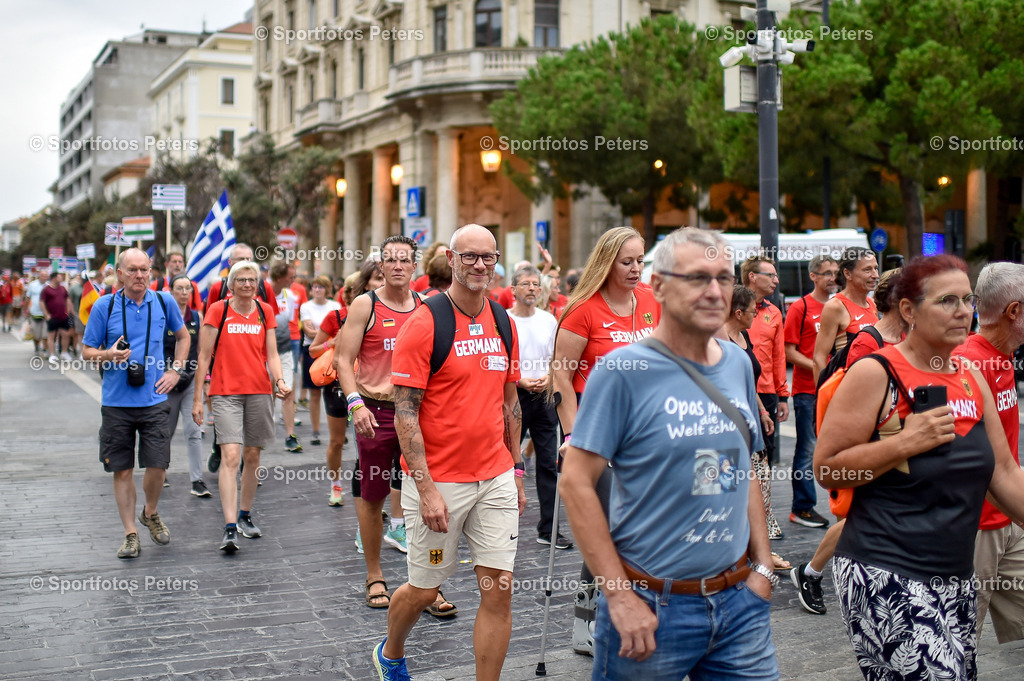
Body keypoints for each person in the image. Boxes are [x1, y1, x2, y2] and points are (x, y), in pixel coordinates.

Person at [560, 227, 778, 680]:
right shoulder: (622, 371)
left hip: (739, 604)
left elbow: (743, 469)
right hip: (652, 607)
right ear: (659, 286)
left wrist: (762, 569)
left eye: (723, 277)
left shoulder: (737, 363)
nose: (715, 291)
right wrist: (618, 596)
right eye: (698, 278)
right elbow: (576, 482)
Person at [815, 254, 1024, 680]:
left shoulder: (969, 375)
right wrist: (904, 443)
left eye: (967, 299)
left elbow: (1004, 473)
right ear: (908, 309)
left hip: (954, 576)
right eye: (947, 301)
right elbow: (829, 469)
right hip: (885, 569)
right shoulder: (877, 372)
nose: (963, 311)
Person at [373, 224, 525, 681]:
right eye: (470, 256)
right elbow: (405, 414)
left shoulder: (503, 320)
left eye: (488, 257)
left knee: (498, 590)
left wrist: (516, 470)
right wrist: (426, 489)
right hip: (439, 482)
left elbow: (510, 402)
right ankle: (391, 652)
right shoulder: (425, 322)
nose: (480, 265)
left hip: (495, 476)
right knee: (425, 588)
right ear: (451, 259)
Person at [550, 226, 660, 655]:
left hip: (644, 434)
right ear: (607, 262)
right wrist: (574, 435)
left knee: (632, 530)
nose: (635, 269)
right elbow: (561, 373)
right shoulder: (583, 311)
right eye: (626, 261)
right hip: (597, 435)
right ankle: (591, 622)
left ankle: (604, 619)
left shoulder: (650, 302)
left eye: (639, 260)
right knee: (611, 532)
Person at [790, 267, 904, 616]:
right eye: (866, 268)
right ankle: (810, 572)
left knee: (876, 514)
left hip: (896, 441)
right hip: (869, 442)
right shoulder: (868, 336)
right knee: (860, 515)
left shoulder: (900, 331)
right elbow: (847, 390)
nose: (871, 273)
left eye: (875, 268)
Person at [332, 236, 426, 610]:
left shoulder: (427, 307)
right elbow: (342, 359)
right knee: (373, 496)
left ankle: (425, 582)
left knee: (424, 496)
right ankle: (375, 575)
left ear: (414, 266)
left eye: (405, 260)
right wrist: (355, 405)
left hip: (417, 414)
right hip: (375, 411)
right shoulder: (364, 305)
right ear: (381, 267)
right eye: (391, 260)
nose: (398, 266)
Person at [82, 248, 189, 558]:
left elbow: (183, 338)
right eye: (132, 270)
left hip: (155, 397)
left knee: (158, 465)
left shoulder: (164, 301)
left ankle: (150, 512)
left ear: (152, 271)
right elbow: (87, 351)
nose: (139, 275)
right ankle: (130, 533)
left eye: (144, 269)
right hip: (116, 402)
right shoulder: (105, 305)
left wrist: (176, 370)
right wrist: (107, 354)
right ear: (120, 273)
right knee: (123, 470)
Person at [192, 260, 289, 552]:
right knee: (230, 455)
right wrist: (198, 398)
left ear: (257, 284)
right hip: (224, 393)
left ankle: (246, 514)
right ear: (231, 284)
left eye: (251, 280)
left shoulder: (265, 311)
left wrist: (280, 380)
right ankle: (230, 526)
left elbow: (272, 354)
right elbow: (204, 355)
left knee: (252, 456)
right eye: (241, 280)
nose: (247, 285)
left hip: (259, 391)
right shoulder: (218, 310)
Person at [956, 262, 1024, 643]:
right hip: (978, 529)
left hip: (1010, 520)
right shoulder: (969, 363)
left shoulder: (1002, 356)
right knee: (961, 641)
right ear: (1014, 312)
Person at [720, 285, 789, 571]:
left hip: (751, 422)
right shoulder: (717, 342)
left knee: (760, 488)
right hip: (727, 430)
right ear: (738, 313)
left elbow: (750, 381)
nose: (755, 316)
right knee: (725, 490)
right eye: (752, 311)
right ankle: (730, 552)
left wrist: (762, 410)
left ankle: (760, 552)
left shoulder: (744, 335)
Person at [507, 265, 564, 547]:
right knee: (507, 462)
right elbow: (499, 363)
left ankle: (549, 530)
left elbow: (556, 357)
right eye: (526, 284)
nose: (532, 289)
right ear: (513, 289)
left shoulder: (548, 320)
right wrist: (520, 381)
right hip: (514, 397)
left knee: (547, 463)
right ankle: (502, 530)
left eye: (536, 285)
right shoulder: (504, 320)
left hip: (544, 398)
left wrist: (548, 377)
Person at [783, 255, 839, 530]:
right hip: (807, 391)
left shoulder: (840, 306)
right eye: (826, 273)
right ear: (813, 276)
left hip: (836, 390)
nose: (832, 277)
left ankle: (841, 502)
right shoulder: (800, 307)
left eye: (835, 272)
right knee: (807, 449)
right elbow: (788, 351)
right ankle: (802, 507)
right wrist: (819, 366)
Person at [740, 256, 788, 497]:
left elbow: (779, 357)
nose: (776, 280)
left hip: (766, 392)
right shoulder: (730, 307)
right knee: (736, 450)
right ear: (752, 276)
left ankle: (765, 511)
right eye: (770, 275)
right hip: (736, 391)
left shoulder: (774, 312)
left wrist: (782, 397)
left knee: (764, 453)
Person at [162, 274, 208, 497]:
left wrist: (203, 381)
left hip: (190, 381)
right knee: (165, 432)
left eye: (187, 289)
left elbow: (201, 352)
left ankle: (197, 480)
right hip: (167, 382)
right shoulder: (162, 316)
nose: (183, 292)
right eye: (179, 288)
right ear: (171, 291)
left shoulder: (197, 318)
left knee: (194, 431)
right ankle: (160, 472)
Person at [812, 247, 880, 383]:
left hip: (871, 387)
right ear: (848, 274)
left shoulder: (872, 303)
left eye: (876, 268)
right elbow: (819, 358)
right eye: (867, 270)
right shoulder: (836, 306)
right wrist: (824, 398)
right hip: (846, 389)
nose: (875, 275)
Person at [299, 276, 342, 446]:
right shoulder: (306, 306)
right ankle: (316, 431)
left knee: (334, 392)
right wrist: (329, 338)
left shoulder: (335, 306)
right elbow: (309, 333)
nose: (317, 290)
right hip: (313, 352)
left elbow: (339, 331)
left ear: (327, 289)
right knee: (314, 393)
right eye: (314, 287)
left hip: (332, 352)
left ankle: (337, 429)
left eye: (321, 287)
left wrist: (322, 334)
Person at [268, 263, 302, 452]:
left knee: (287, 390)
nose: (293, 280)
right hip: (261, 351)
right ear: (280, 277)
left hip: (284, 348)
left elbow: (286, 323)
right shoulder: (262, 291)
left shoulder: (291, 297)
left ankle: (290, 435)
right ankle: (262, 433)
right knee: (266, 392)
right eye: (291, 276)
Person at [41, 271, 73, 360]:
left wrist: (68, 311)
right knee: (51, 336)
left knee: (65, 334)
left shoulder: (63, 288)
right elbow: (42, 302)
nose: (61, 278)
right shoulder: (46, 289)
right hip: (52, 316)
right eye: (59, 277)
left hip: (63, 316)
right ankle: (52, 354)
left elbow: (67, 299)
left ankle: (64, 352)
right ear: (54, 278)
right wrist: (46, 314)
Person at [26, 272, 48, 355]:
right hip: (34, 313)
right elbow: (28, 297)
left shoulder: (48, 286)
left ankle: (45, 349)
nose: (44, 277)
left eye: (46, 276)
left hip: (45, 314)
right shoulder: (33, 285)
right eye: (43, 275)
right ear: (39, 276)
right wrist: (26, 310)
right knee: (36, 334)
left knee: (45, 334)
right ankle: (36, 346)